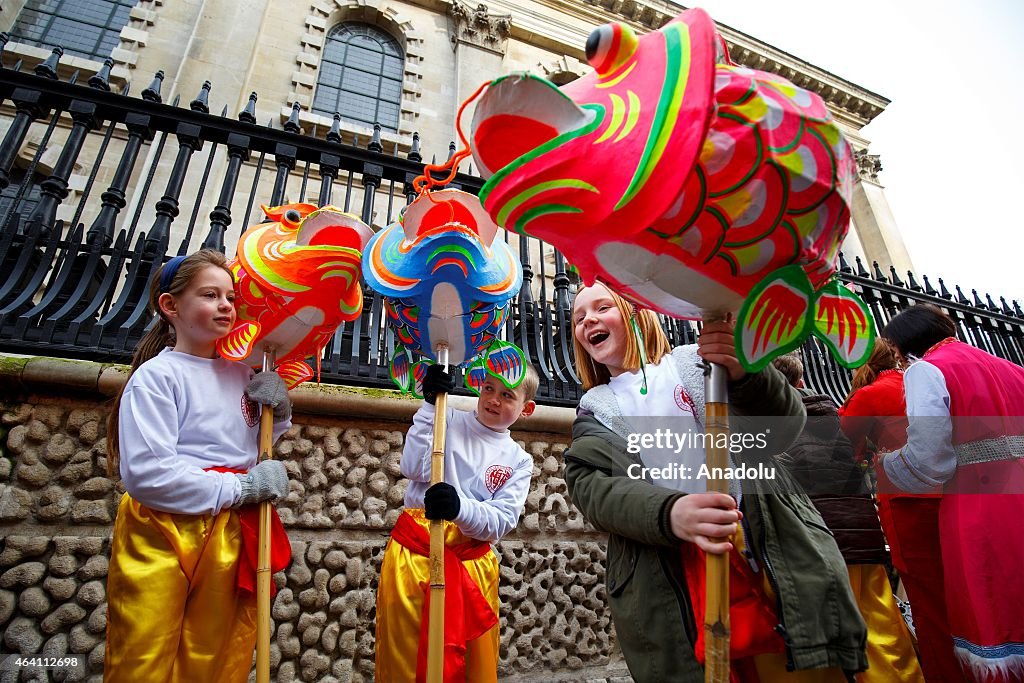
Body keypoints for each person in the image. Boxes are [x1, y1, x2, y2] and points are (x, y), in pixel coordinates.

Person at [563, 282, 867, 682]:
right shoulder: (593, 411)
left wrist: (745, 375)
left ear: (638, 312)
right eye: (578, 318)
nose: (589, 321)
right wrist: (669, 513)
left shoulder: (699, 363)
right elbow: (594, 489)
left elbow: (780, 429)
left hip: (761, 550)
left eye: (603, 307)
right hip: (677, 574)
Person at [103, 249, 293, 682]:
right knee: (144, 652)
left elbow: (248, 443)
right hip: (165, 530)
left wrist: (278, 413)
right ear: (171, 306)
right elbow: (149, 475)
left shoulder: (242, 374)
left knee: (216, 654)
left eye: (230, 296)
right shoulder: (156, 377)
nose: (226, 305)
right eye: (210, 295)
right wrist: (242, 489)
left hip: (231, 531)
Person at [878, 304, 1024, 683]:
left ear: (905, 343)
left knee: (993, 606)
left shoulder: (927, 369)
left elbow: (930, 460)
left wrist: (887, 464)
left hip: (977, 506)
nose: (896, 359)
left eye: (894, 350)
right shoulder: (1011, 368)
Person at [375, 361, 539, 682]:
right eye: (488, 388)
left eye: (507, 395)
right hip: (413, 556)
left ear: (527, 408)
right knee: (403, 654)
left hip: (470, 567)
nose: (493, 399)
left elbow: (501, 520)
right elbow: (413, 467)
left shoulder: (519, 460)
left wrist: (459, 509)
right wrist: (429, 404)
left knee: (470, 663)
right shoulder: (446, 417)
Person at [771, 353, 923, 683]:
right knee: (880, 623)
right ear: (801, 382)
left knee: (829, 632)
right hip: (862, 537)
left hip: (820, 543)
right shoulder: (829, 415)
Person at [839, 340, 962, 682]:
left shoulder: (870, 394)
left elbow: (838, 446)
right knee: (959, 591)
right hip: (953, 494)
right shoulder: (922, 381)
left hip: (908, 500)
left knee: (929, 602)